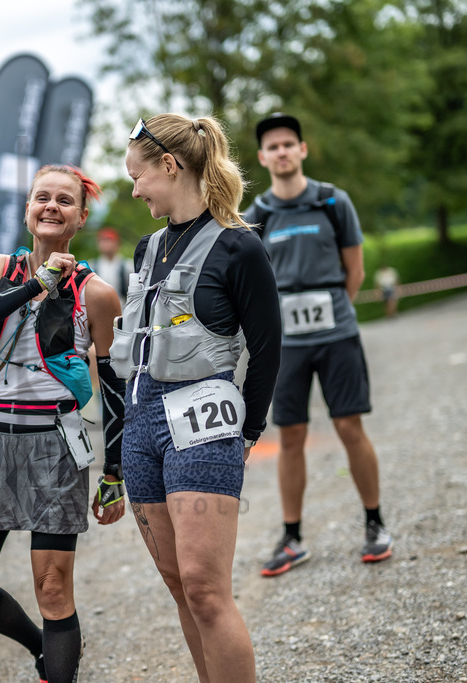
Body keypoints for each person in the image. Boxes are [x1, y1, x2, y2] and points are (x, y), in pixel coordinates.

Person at [0, 165, 127, 683]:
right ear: (27, 210)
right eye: (42, 197)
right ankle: (42, 650)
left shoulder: (97, 294)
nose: (51, 206)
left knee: (53, 588)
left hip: (55, 445)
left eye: (65, 201)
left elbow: (116, 389)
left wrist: (115, 472)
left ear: (81, 218)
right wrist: (34, 287)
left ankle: (59, 669)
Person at [117, 114, 282, 682]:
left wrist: (248, 433)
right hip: (141, 424)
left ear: (169, 166)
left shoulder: (240, 246)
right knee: (178, 586)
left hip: (203, 421)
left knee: (206, 589)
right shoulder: (147, 248)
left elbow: (267, 350)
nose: (134, 190)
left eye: (138, 177)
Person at [243, 112, 394, 578]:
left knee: (350, 426)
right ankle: (292, 537)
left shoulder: (333, 202)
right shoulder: (256, 216)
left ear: (302, 150)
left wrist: (334, 312)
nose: (282, 152)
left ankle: (375, 523)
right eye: (273, 146)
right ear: (262, 157)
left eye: (289, 143)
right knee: (290, 436)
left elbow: (355, 272)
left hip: (337, 336)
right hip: (286, 346)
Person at [89, 227, 135, 304]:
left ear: (117, 244)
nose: (106, 244)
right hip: (98, 306)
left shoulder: (128, 266)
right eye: (103, 241)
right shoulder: (91, 266)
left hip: (123, 307)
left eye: (109, 241)